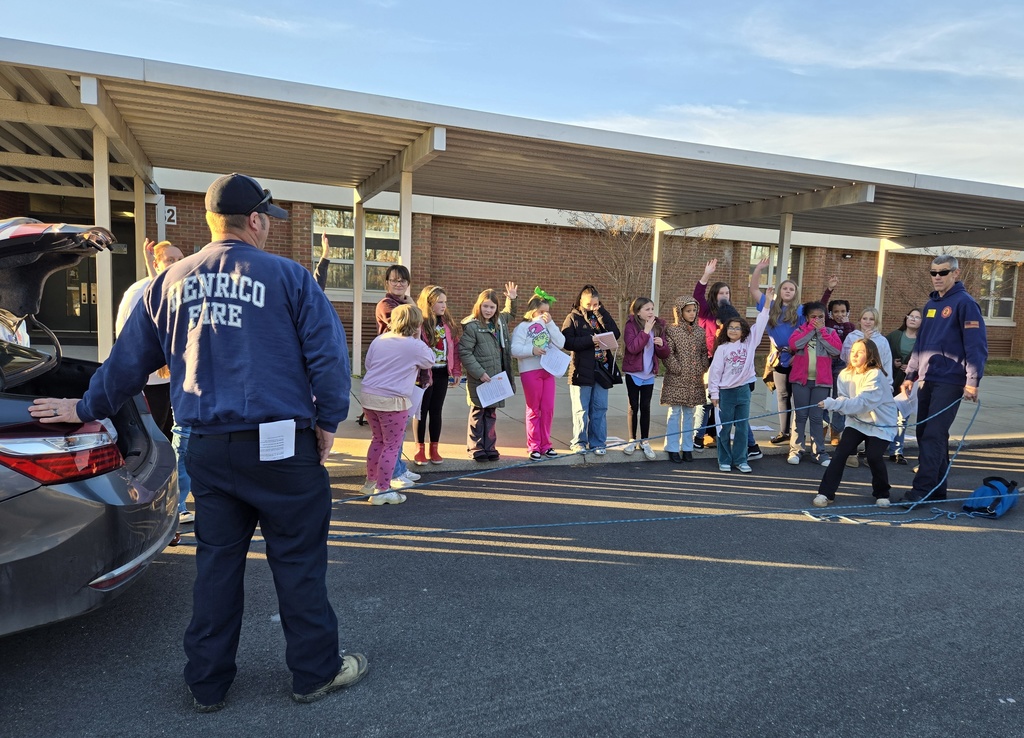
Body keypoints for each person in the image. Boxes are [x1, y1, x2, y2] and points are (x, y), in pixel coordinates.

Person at [30, 173, 365, 711]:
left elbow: (125, 366)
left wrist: (83, 407)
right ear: (255, 220)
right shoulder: (290, 277)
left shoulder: (166, 282)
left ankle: (207, 683)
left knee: (217, 564)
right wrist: (329, 422)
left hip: (206, 444)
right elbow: (328, 357)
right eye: (266, 221)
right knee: (298, 562)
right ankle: (314, 672)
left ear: (211, 222)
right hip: (280, 444)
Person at [899, 256, 988, 504]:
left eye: (943, 272)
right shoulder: (930, 305)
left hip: (951, 380)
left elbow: (976, 346)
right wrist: (910, 375)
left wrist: (972, 380)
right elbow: (921, 344)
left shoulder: (966, 304)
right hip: (927, 378)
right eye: (933, 272)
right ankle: (938, 489)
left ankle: (921, 491)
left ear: (955, 274)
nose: (937, 276)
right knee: (925, 432)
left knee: (934, 434)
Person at [115, 238, 191, 523]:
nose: (177, 263)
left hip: (174, 380)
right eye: (169, 259)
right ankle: (140, 506)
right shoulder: (139, 291)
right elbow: (127, 338)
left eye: (179, 258)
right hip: (147, 383)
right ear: (155, 263)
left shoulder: (182, 289)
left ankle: (171, 505)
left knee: (173, 443)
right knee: (149, 444)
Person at [748, 259, 837, 444]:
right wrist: (757, 270)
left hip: (798, 357)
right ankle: (784, 432)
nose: (788, 291)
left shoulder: (801, 309)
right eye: (785, 288)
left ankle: (800, 434)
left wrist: (828, 290)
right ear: (780, 291)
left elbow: (818, 309)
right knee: (782, 395)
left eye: (791, 289)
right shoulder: (770, 306)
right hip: (780, 357)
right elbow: (754, 290)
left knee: (799, 397)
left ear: (795, 293)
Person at [360, 304, 436, 504]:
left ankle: (370, 483)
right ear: (417, 323)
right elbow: (430, 361)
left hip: (369, 395)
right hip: (393, 400)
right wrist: (418, 338)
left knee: (377, 440)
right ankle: (383, 490)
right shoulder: (414, 345)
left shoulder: (380, 339)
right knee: (392, 445)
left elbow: (369, 364)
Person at [813, 339, 898, 508]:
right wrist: (837, 403)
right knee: (840, 453)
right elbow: (845, 398)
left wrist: (833, 404)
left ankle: (882, 493)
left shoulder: (875, 374)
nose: (855, 355)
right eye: (853, 351)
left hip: (880, 424)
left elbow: (863, 402)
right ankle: (825, 493)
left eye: (860, 352)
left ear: (870, 355)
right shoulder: (845, 374)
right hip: (857, 421)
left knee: (873, 456)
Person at [695, 259, 761, 460]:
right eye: (721, 293)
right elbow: (697, 296)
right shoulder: (706, 313)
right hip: (711, 361)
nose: (724, 296)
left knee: (729, 407)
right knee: (708, 401)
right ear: (714, 295)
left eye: (727, 293)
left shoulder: (733, 316)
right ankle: (701, 436)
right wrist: (706, 275)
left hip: (733, 368)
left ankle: (750, 446)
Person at [708, 289, 773, 473]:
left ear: (744, 330)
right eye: (731, 328)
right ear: (726, 330)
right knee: (725, 428)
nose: (734, 330)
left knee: (742, 427)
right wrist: (714, 394)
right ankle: (725, 459)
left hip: (743, 390)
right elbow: (715, 372)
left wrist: (767, 302)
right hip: (725, 392)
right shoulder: (722, 348)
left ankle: (741, 459)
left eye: (738, 327)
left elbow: (760, 322)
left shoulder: (749, 343)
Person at [459, 283, 518, 461]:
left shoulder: (499, 322)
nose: (488, 310)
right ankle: (476, 447)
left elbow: (511, 313)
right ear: (479, 305)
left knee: (491, 413)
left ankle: (489, 446)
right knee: (478, 413)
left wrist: (512, 299)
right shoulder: (472, 326)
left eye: (492, 307)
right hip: (480, 378)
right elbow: (464, 352)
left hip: (496, 378)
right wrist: (479, 372)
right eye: (485, 306)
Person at [375, 264, 421, 489]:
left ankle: (399, 468)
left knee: (399, 428)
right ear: (387, 283)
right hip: (393, 375)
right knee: (391, 434)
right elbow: (407, 324)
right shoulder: (387, 305)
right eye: (394, 280)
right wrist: (413, 306)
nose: (399, 284)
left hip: (406, 373)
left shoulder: (405, 303)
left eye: (403, 281)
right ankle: (392, 474)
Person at [561, 285, 620, 455]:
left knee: (600, 408)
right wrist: (590, 340)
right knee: (581, 409)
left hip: (602, 369)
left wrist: (601, 314)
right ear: (581, 302)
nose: (592, 307)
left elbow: (615, 333)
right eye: (589, 305)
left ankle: (598, 443)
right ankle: (579, 442)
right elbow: (567, 342)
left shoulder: (601, 315)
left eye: (595, 304)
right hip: (581, 370)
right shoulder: (573, 318)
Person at [510, 288, 566, 460]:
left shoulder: (549, 326)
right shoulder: (523, 327)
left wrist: (550, 324)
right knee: (534, 409)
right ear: (532, 310)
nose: (544, 315)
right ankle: (534, 445)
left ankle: (545, 444)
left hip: (548, 370)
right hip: (530, 370)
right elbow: (514, 349)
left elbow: (562, 342)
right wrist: (532, 350)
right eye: (541, 312)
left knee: (547, 408)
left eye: (547, 312)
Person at [786, 301, 842, 467]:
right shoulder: (800, 331)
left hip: (821, 382)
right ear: (806, 318)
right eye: (813, 317)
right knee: (800, 416)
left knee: (817, 418)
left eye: (820, 317)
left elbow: (836, 350)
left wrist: (821, 331)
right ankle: (796, 450)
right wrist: (811, 330)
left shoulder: (830, 332)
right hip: (800, 381)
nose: (817, 319)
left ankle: (819, 453)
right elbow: (794, 345)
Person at [412, 285, 462, 465]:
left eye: (445, 302)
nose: (444, 306)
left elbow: (455, 349)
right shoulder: (420, 324)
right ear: (429, 303)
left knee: (436, 411)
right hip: (424, 374)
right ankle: (420, 449)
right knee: (421, 411)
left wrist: (456, 371)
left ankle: (434, 448)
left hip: (441, 373)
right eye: (440, 302)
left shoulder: (447, 325)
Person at [840, 307, 893, 467]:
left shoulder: (882, 341)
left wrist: (888, 384)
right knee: (854, 415)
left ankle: (872, 453)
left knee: (873, 417)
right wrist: (862, 341)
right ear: (860, 320)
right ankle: (851, 453)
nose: (868, 322)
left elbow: (886, 364)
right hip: (855, 382)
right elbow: (844, 356)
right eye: (865, 319)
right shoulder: (852, 337)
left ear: (876, 322)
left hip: (875, 384)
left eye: (871, 319)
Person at [660, 296, 709, 463]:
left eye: (694, 310)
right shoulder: (672, 330)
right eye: (688, 311)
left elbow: (703, 351)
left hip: (694, 379)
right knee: (675, 413)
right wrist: (678, 369)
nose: (692, 314)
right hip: (677, 378)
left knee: (690, 413)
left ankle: (687, 447)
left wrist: (703, 366)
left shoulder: (700, 332)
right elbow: (668, 354)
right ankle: (672, 447)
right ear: (680, 312)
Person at [621, 296, 670, 460]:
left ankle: (645, 441)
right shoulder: (631, 326)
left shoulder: (658, 326)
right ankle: (632, 440)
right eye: (647, 309)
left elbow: (665, 353)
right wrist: (646, 331)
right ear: (638, 312)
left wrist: (661, 345)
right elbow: (633, 348)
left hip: (649, 374)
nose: (651, 312)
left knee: (646, 407)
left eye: (652, 309)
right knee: (633, 407)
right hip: (634, 373)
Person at [886, 308, 922, 464]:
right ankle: (877, 447)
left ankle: (896, 451)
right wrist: (893, 362)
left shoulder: (924, 340)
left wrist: (912, 369)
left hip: (909, 384)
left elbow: (927, 361)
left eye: (917, 317)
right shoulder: (894, 336)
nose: (913, 319)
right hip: (890, 381)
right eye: (910, 316)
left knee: (901, 418)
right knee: (884, 415)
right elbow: (883, 353)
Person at [824, 299, 857, 445]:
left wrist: (846, 324)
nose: (840, 314)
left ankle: (836, 432)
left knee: (840, 397)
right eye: (836, 311)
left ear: (847, 312)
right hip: (827, 361)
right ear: (830, 313)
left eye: (843, 311)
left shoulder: (850, 326)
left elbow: (850, 341)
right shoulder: (828, 324)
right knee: (824, 395)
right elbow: (822, 304)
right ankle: (822, 428)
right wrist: (829, 290)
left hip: (842, 363)